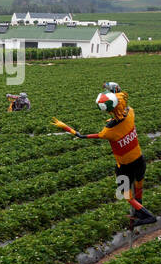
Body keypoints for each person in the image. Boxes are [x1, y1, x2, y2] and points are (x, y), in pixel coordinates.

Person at [66, 90, 156, 225]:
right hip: (139, 160)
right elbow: (125, 106)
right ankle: (139, 209)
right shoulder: (130, 113)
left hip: (125, 166)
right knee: (138, 185)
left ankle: (147, 216)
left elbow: (92, 135)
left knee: (124, 192)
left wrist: (75, 133)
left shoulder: (108, 132)